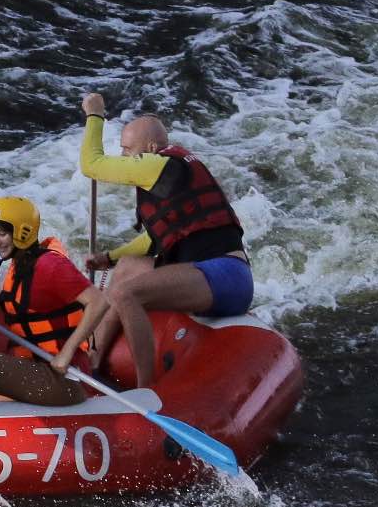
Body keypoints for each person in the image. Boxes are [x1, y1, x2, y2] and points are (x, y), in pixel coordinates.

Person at [77, 93, 252, 388]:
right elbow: (156, 238)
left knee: (125, 294)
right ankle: (94, 363)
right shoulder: (171, 169)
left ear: (150, 148)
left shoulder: (155, 164)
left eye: (126, 149)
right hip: (198, 273)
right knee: (127, 269)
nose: (123, 158)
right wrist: (111, 257)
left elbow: (91, 165)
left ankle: (146, 389)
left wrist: (94, 116)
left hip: (226, 276)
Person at [0, 197, 110, 405]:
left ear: (23, 232)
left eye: (2, 234)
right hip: (37, 370)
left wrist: (66, 352)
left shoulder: (50, 265)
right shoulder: (20, 265)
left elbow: (99, 301)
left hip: (65, 379)